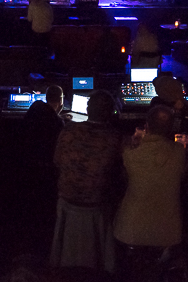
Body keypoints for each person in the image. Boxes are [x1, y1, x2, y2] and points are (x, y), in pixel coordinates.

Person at [50, 90, 122, 273]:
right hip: (97, 203)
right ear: (111, 112)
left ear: (88, 109)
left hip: (67, 198)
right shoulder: (115, 138)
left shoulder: (68, 130)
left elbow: (57, 161)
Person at [113, 105, 185, 282]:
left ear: (146, 125)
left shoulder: (130, 152)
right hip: (169, 232)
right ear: (171, 127)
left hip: (130, 229)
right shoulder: (180, 152)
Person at [23, 85, 65, 167]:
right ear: (60, 100)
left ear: (46, 97)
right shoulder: (58, 122)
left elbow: (47, 114)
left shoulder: (36, 105)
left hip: (28, 152)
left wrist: (57, 115)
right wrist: (58, 114)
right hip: (45, 160)